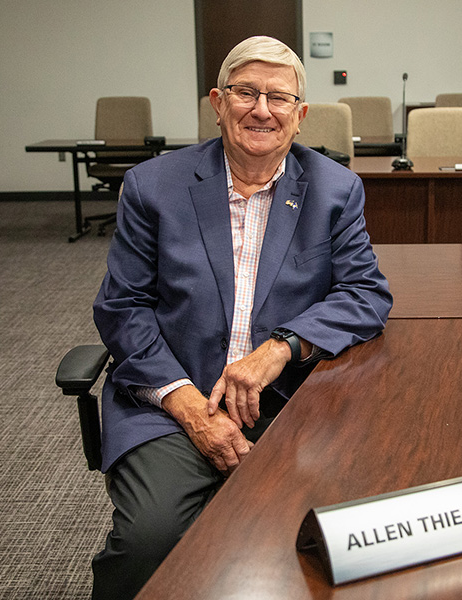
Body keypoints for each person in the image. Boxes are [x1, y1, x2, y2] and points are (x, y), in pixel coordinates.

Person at [91, 35, 392, 599]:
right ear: (217, 102)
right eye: (245, 92)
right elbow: (121, 306)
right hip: (171, 399)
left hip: (288, 403)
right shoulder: (154, 185)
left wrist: (280, 347)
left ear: (300, 116)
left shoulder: (335, 190)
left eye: (278, 98)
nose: (261, 110)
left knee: (333, 534)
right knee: (150, 541)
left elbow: (365, 293)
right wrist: (187, 405)